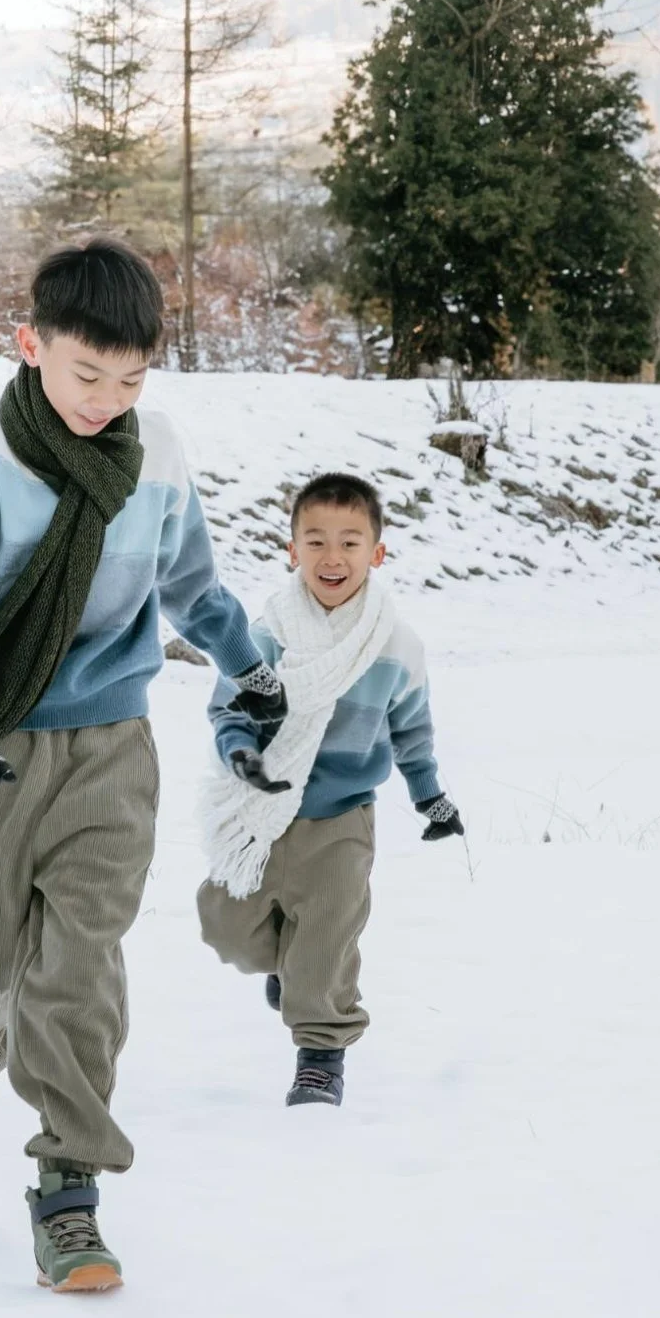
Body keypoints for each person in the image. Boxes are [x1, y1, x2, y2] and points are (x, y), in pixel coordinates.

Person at [0, 236, 282, 1293]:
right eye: (86, 373)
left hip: (111, 748)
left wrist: (248, 662)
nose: (106, 398)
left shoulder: (160, 454)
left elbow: (193, 586)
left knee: (79, 970)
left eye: (130, 378)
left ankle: (69, 1191)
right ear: (29, 345)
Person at [196, 471, 464, 1108]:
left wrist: (429, 795)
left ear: (377, 552)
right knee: (225, 927)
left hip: (343, 816)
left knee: (326, 940)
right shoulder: (266, 636)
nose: (332, 557)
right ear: (292, 551)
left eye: (350, 541)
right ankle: (287, 971)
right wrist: (241, 755)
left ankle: (320, 1052)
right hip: (261, 812)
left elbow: (412, 731)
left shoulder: (395, 646)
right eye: (315, 541)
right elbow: (229, 710)